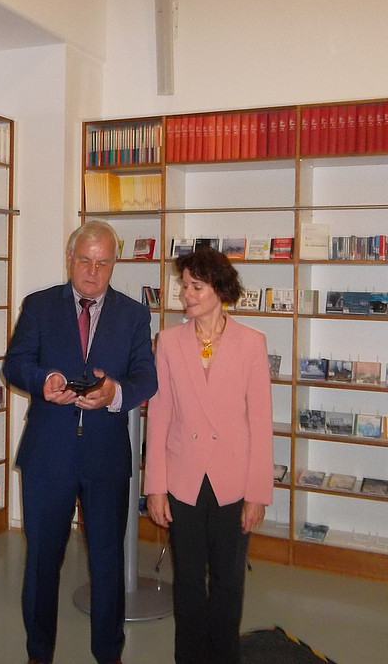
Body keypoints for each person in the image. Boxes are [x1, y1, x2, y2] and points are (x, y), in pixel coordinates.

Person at [3, 221, 157, 664]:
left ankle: (109, 654)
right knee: (41, 562)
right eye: (85, 260)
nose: (92, 271)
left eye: (103, 262)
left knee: (108, 564)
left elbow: (146, 377)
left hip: (106, 457)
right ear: (69, 258)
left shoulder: (133, 314)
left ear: (114, 264)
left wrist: (115, 394)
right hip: (48, 455)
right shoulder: (39, 306)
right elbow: (15, 365)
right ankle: (38, 654)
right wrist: (43, 380)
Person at [144, 247, 273, 664]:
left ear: (219, 289)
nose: (187, 294)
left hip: (232, 482)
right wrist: (155, 487)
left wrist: (258, 494)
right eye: (184, 286)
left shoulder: (252, 343)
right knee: (187, 582)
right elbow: (159, 417)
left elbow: (261, 423)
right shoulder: (168, 341)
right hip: (183, 480)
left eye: (196, 287)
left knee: (228, 582)